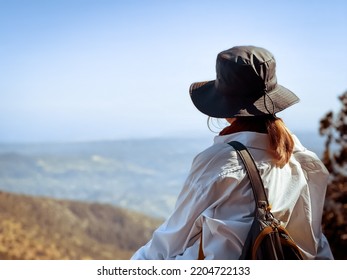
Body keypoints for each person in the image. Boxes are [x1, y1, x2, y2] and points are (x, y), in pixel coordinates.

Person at [130, 45, 334, 260]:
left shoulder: (219, 161)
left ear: (225, 105)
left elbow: (169, 243)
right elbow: (314, 242)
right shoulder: (304, 161)